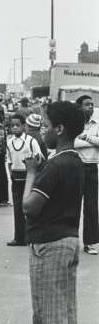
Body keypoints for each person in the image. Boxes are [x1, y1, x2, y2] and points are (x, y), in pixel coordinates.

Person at [23, 101, 88, 324]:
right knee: (64, 318)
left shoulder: (53, 166)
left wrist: (31, 173)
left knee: (49, 322)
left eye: (45, 125)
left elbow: (29, 207)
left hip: (48, 245)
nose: (40, 130)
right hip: (68, 241)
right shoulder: (74, 161)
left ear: (59, 129)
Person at [6, 113, 42, 246]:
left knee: (29, 208)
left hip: (29, 178)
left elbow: (40, 158)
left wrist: (33, 171)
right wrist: (10, 174)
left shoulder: (31, 141)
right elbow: (9, 160)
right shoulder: (9, 142)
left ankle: (31, 237)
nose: (15, 128)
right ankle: (19, 238)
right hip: (16, 178)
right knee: (17, 209)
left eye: (17, 125)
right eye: (12, 126)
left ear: (24, 126)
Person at [74, 95, 99, 255]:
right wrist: (92, 141)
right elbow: (71, 143)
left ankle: (90, 243)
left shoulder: (96, 123)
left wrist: (86, 137)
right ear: (79, 107)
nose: (90, 107)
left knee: (91, 207)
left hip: (91, 167)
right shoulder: (74, 123)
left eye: (92, 104)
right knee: (72, 205)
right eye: (87, 104)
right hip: (75, 166)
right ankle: (70, 242)